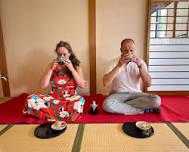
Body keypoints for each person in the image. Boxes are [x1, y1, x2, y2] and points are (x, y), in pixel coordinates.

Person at [23, 41, 85, 122]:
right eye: (59, 55)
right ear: (57, 54)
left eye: (64, 54)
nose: (62, 56)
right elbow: (42, 86)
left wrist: (72, 69)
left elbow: (82, 85)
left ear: (69, 53)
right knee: (30, 99)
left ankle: (51, 115)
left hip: (70, 99)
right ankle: (62, 115)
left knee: (79, 101)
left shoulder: (76, 65)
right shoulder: (51, 65)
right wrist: (50, 69)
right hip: (53, 98)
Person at [102, 38, 161, 115]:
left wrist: (140, 66)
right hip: (117, 94)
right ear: (121, 50)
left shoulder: (141, 62)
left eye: (131, 51)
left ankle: (123, 107)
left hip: (136, 94)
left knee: (156, 100)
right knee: (107, 105)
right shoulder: (113, 62)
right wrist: (119, 66)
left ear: (134, 50)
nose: (129, 53)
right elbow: (105, 83)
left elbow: (148, 84)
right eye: (126, 50)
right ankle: (143, 110)